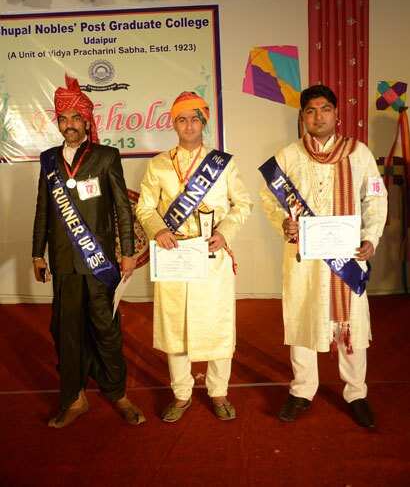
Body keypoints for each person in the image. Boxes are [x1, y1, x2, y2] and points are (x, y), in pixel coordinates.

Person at [260, 84, 387, 429]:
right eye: (311, 111)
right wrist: (283, 222)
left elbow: (376, 197)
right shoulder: (288, 156)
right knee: (303, 317)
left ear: (336, 114)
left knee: (351, 324)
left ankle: (356, 392)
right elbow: (269, 197)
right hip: (305, 260)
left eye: (325, 109)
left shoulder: (358, 153)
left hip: (347, 257)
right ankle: (302, 390)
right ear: (303, 117)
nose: (318, 117)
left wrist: (371, 237)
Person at [32, 74, 145, 428]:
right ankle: (74, 398)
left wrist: (128, 252)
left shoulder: (106, 157)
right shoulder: (48, 160)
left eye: (75, 118)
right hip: (64, 263)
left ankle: (117, 393)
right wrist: (37, 253)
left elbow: (122, 208)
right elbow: (43, 209)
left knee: (106, 330)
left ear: (87, 121)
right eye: (63, 118)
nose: (69, 124)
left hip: (99, 264)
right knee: (66, 332)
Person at [136, 91, 252, 422]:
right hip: (173, 254)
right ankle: (182, 393)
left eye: (194, 119)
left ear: (204, 122)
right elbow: (144, 207)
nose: (188, 125)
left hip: (211, 254)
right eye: (182, 120)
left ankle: (219, 391)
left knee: (217, 324)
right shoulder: (158, 164)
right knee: (176, 326)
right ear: (174, 124)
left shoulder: (222, 164)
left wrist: (225, 232)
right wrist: (158, 229)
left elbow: (243, 203)